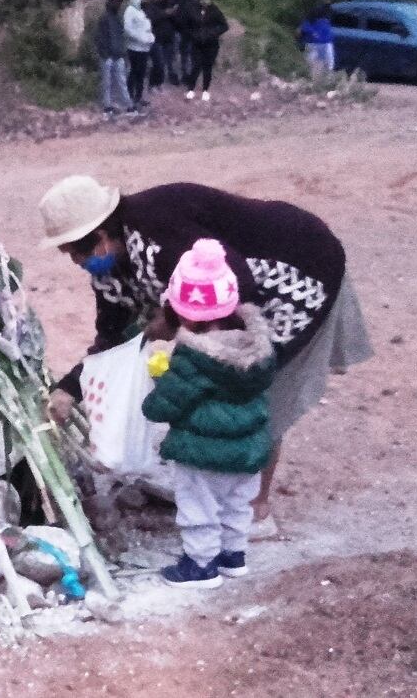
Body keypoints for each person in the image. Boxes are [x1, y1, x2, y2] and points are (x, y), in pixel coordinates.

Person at [37, 175, 373, 536]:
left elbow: (237, 283)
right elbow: (113, 336)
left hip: (294, 272)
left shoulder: (161, 235)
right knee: (214, 383)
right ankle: (223, 492)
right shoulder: (111, 270)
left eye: (75, 251)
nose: (74, 261)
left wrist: (168, 320)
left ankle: (253, 509)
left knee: (254, 387)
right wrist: (71, 387)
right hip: (233, 294)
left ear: (100, 237)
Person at [141, 239, 275, 588]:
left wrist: (159, 380)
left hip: (202, 453)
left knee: (198, 508)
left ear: (183, 310)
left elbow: (161, 407)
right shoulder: (256, 352)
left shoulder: (191, 359)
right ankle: (233, 555)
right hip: (247, 450)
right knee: (236, 504)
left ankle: (200, 565)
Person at [93, 0, 131, 118]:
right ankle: (107, 107)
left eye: (119, 2)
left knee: (121, 81)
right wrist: (104, 53)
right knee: (107, 82)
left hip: (118, 55)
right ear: (110, 3)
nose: (118, 4)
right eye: (115, 2)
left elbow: (121, 37)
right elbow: (99, 38)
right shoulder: (104, 19)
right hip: (107, 56)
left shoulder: (118, 18)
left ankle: (127, 105)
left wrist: (122, 52)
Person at [186, 0, 229, 101]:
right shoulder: (193, 10)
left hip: (211, 44)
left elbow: (224, 26)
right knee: (195, 65)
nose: (205, 1)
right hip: (197, 43)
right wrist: (194, 35)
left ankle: (205, 90)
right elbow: (187, 25)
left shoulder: (215, 11)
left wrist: (212, 33)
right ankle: (191, 89)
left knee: (207, 67)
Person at [123, 0, 155, 111]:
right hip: (134, 48)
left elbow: (146, 27)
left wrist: (150, 37)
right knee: (134, 72)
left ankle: (139, 97)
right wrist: (141, 39)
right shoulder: (130, 11)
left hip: (144, 48)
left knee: (141, 73)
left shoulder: (141, 11)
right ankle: (130, 97)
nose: (145, 0)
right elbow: (128, 30)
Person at [145, 0, 178, 91]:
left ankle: (159, 83)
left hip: (168, 38)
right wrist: (165, 14)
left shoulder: (167, 6)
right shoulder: (150, 7)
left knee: (168, 61)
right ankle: (152, 84)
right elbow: (151, 19)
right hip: (156, 39)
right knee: (158, 63)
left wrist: (173, 14)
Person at [170, 0, 200, 86]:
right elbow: (171, 11)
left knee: (185, 54)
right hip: (176, 29)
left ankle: (185, 75)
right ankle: (175, 76)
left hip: (188, 29)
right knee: (177, 53)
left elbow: (193, 10)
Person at [298, 0, 335, 76]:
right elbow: (305, 26)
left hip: (326, 43)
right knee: (310, 65)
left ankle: (323, 80)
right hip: (314, 44)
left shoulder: (328, 15)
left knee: (328, 66)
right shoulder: (314, 13)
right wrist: (313, 32)